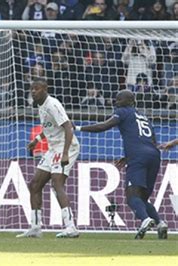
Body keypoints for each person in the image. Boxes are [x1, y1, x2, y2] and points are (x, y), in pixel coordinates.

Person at [76, 90, 168, 239]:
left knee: (132, 197)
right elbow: (150, 141)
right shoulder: (143, 117)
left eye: (119, 99)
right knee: (142, 198)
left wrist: (78, 128)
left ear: (128, 101)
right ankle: (160, 223)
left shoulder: (123, 112)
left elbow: (103, 126)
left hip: (138, 157)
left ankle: (145, 220)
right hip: (154, 155)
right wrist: (128, 156)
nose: (116, 102)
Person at [17, 78, 80, 239]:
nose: (33, 91)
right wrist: (37, 140)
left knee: (57, 182)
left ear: (45, 89)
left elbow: (68, 127)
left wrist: (65, 153)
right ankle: (36, 227)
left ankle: (71, 227)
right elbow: (49, 127)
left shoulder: (53, 104)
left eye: (36, 88)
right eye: (31, 89)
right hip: (53, 148)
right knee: (35, 184)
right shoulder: (41, 105)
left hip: (67, 146)